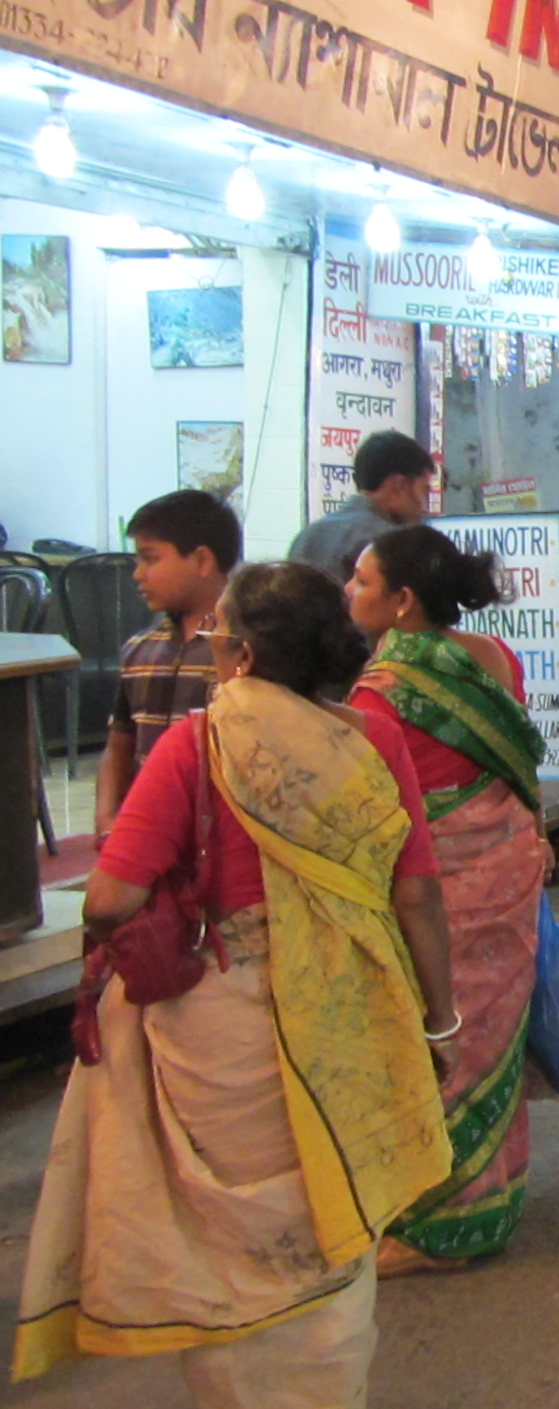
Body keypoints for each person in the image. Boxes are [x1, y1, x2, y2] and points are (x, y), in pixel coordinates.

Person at [14, 563, 455, 1403]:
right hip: (351, 1015)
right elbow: (419, 894)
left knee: (231, 1252)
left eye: (220, 635)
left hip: (224, 1031)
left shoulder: (199, 743)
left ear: (243, 655)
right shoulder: (371, 740)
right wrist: (440, 1021)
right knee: (333, 1221)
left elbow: (109, 898)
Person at [345, 526, 549, 1277]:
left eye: (361, 581)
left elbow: (375, 802)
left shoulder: (385, 691)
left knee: (440, 1044)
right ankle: (490, 1197)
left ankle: (443, 1228)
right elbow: (517, 763)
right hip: (510, 872)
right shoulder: (493, 658)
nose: (349, 593)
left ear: (402, 602)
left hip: (440, 893)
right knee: (492, 1043)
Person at [94, 489, 241, 844]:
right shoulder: (140, 651)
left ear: (203, 560)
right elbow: (120, 746)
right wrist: (107, 818)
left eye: (151, 559)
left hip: (222, 836)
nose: (138, 575)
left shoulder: (245, 649)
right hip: (149, 834)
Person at [288, 430, 437, 583]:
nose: (424, 507)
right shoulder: (389, 543)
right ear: (398, 486)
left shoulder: (307, 536)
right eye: (424, 490)